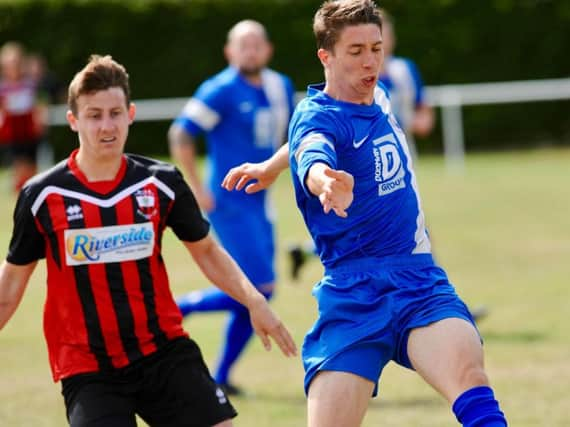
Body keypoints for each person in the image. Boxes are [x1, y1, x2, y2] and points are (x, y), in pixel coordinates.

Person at [222, 1, 507, 426]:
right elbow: (312, 146)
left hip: (417, 283)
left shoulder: (380, 96)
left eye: (376, 48)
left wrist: (269, 166)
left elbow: (298, 142)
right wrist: (321, 181)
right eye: (355, 51)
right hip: (352, 295)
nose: (371, 61)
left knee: (470, 377)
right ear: (327, 57)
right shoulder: (314, 118)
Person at [0, 54, 296, 427]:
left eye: (115, 113)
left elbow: (206, 251)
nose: (106, 126)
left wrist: (255, 301)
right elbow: (10, 284)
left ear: (131, 114)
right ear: (73, 120)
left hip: (163, 351)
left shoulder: (161, 183)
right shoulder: (42, 196)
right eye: (94, 115)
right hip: (88, 366)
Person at [168, 20, 296, 395]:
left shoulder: (279, 87)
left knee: (260, 290)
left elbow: (288, 136)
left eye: (257, 43)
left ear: (268, 50)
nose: (251, 51)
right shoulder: (220, 89)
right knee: (261, 287)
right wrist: (196, 188)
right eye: (244, 45)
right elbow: (180, 134)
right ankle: (183, 307)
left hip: (260, 200)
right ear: (230, 52)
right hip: (227, 201)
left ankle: (221, 377)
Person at [378, 12, 435, 161]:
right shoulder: (356, 75)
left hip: (405, 153)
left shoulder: (405, 69)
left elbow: (424, 112)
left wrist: (414, 122)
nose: (385, 41)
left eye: (388, 35)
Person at [0, 41, 47, 192]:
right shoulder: (3, 87)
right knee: (19, 165)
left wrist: (40, 122)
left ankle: (31, 191)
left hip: (29, 129)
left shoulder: (30, 84)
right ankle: (22, 193)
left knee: (32, 167)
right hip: (13, 131)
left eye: (15, 63)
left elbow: (39, 105)